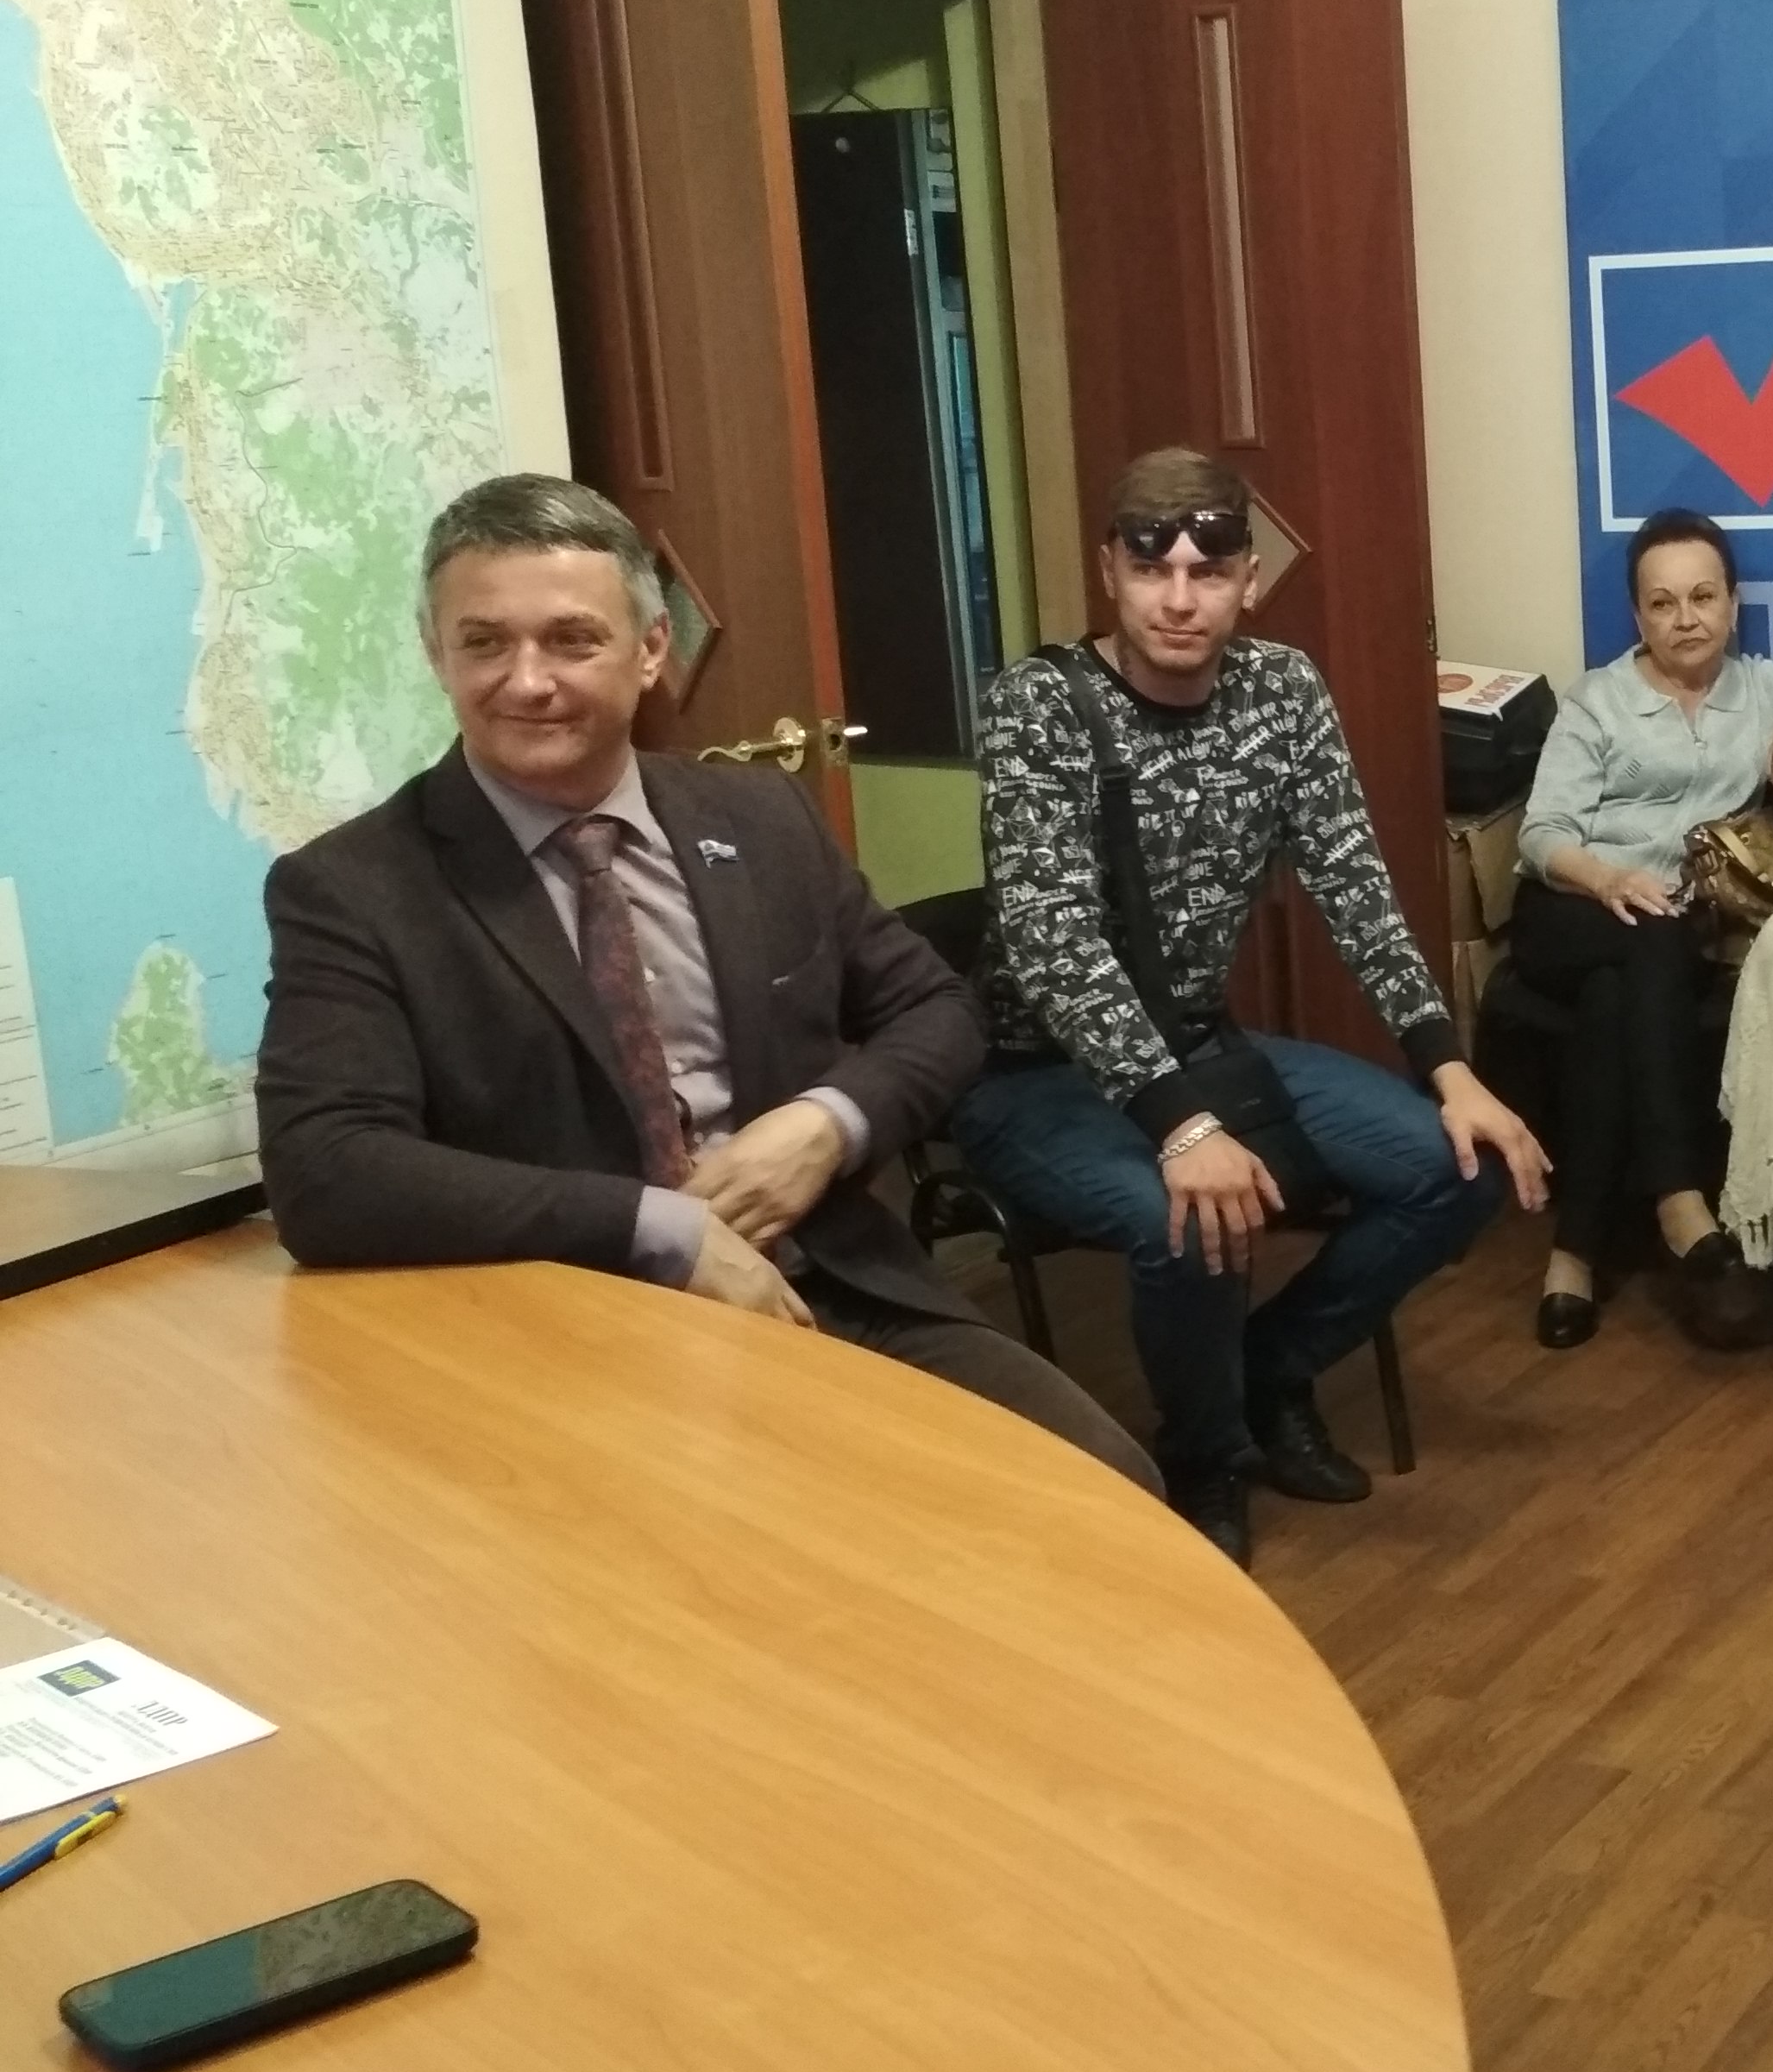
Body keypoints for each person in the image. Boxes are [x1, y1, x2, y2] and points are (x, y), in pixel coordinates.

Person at [257, 473, 1162, 1502]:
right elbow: (325, 1171)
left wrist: (825, 1126)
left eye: (571, 639)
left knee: (1110, 1497)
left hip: (836, 1286)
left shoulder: (761, 817)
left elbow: (935, 1011)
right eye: (484, 642)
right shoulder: (355, 888)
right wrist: (659, 1226)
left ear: (651, 650)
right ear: (436, 653)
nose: (527, 680)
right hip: (569, 1335)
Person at [954, 447, 1550, 1563]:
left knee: (1457, 1167)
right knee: (1184, 1221)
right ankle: (1205, 1452)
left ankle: (1264, 1372)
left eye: (1207, 571)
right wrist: (1180, 1126)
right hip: (1035, 1077)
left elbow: (1354, 886)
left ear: (1249, 581)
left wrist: (1452, 1070)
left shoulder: (1283, 692)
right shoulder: (1038, 707)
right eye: (1152, 569)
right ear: (1109, 572)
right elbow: (1051, 942)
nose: (1179, 599)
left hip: (1200, 1042)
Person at [1513, 507, 1773, 1350]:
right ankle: (1677, 1196)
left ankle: (1572, 1256)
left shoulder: (1760, 691)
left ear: (1733, 605)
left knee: (1616, 998)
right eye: (1662, 604)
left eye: (1703, 597)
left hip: (1666, 936)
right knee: (1647, 935)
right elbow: (1541, 834)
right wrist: (1607, 878)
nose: (1686, 619)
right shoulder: (1598, 701)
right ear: (1638, 617)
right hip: (1569, 910)